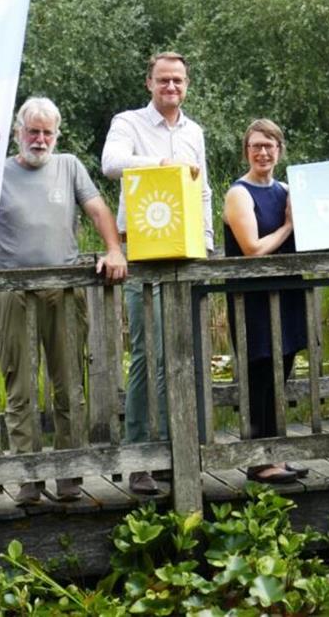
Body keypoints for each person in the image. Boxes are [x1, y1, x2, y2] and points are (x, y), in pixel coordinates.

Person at [0, 97, 128, 506]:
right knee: (19, 388)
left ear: (57, 134)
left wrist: (114, 250)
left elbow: (97, 209)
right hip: (12, 292)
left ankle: (68, 472)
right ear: (18, 132)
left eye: (47, 132)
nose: (39, 139)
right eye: (32, 131)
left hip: (64, 290)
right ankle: (28, 475)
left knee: (69, 385)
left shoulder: (69, 166)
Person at [101, 52, 213, 495]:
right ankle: (138, 457)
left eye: (178, 81)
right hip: (144, 251)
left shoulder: (194, 131)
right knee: (147, 356)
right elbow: (111, 164)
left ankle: (172, 449)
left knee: (180, 353)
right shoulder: (128, 123)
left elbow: (202, 189)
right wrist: (161, 167)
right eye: (163, 80)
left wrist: (205, 243)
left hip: (185, 254)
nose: (171, 87)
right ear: (149, 83)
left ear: (186, 85)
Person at [222, 119, 309, 484]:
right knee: (260, 377)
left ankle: (275, 454)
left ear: (279, 150)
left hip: (286, 295)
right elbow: (253, 249)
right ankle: (258, 462)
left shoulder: (287, 189)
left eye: (269, 146)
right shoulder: (238, 193)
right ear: (247, 150)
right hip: (253, 302)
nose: (262, 152)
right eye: (256, 145)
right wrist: (289, 225)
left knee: (281, 374)